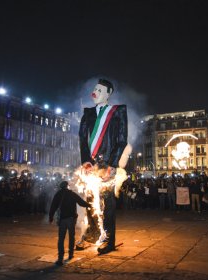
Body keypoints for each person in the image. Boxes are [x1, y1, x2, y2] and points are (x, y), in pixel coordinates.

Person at [78, 78, 129, 254]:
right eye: (94, 89)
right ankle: (91, 235)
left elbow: (122, 140)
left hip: (108, 164)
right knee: (90, 200)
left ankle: (108, 239)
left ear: (108, 94)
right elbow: (82, 139)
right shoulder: (88, 113)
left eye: (99, 90)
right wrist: (85, 160)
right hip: (90, 165)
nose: (94, 92)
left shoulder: (117, 112)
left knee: (108, 203)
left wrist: (113, 165)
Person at [49, 181, 91, 266]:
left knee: (61, 239)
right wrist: (89, 205)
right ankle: (71, 254)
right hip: (71, 219)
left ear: (61, 187)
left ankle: (60, 259)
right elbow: (81, 202)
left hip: (62, 219)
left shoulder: (58, 194)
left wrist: (51, 216)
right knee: (71, 237)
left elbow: (53, 206)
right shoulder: (71, 194)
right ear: (67, 186)